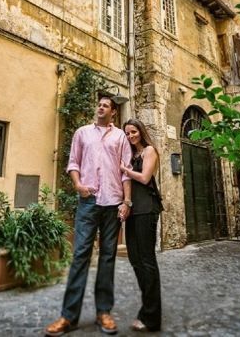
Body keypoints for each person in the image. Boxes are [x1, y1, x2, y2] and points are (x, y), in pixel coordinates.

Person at [45, 94, 132, 336]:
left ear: (113, 112)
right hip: (88, 201)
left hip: (113, 203)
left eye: (106, 106)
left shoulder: (120, 136)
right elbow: (73, 163)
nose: (101, 108)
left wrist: (126, 201)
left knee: (107, 257)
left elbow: (126, 172)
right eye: (100, 105)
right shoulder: (82, 133)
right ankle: (68, 316)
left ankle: (104, 312)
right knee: (80, 254)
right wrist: (78, 185)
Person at [121, 119, 163, 332]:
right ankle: (147, 308)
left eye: (133, 132)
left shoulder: (149, 151)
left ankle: (152, 317)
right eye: (127, 133)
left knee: (147, 260)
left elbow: (145, 178)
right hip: (133, 211)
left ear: (141, 131)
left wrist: (124, 170)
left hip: (147, 208)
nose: (130, 136)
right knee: (135, 259)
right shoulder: (130, 155)